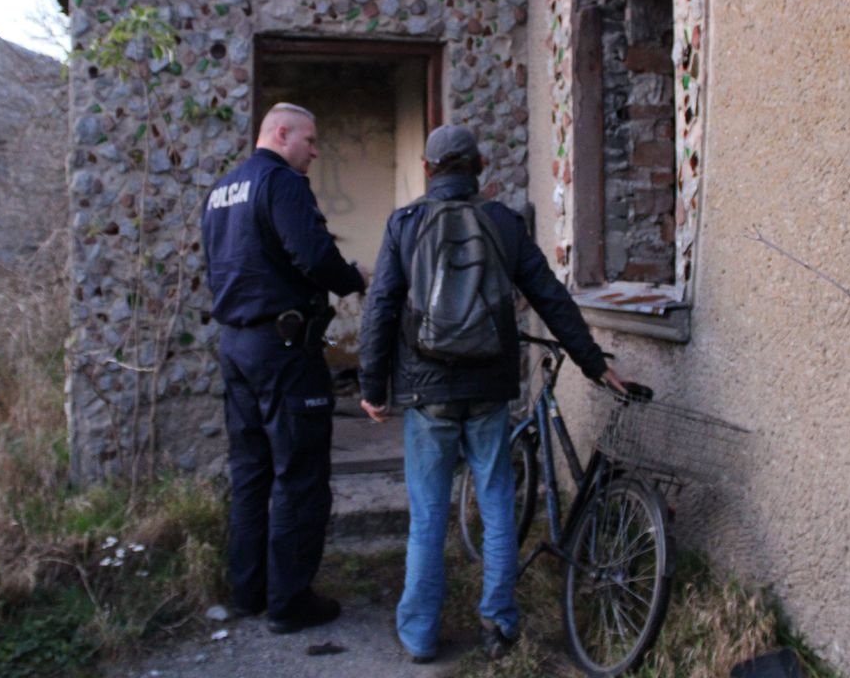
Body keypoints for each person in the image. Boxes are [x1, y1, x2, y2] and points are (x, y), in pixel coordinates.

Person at [357, 124, 630, 663]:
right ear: (479, 164)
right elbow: (550, 297)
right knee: (499, 504)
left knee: (428, 514)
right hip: (488, 387)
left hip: (426, 391)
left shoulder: (405, 223)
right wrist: (594, 364)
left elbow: (381, 308)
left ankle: (418, 636)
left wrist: (372, 386)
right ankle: (500, 624)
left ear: (428, 167)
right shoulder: (503, 222)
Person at [201, 102, 368, 634]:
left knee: (250, 472)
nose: (315, 153)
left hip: (236, 346)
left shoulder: (221, 191)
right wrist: (352, 278)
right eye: (311, 141)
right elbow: (313, 256)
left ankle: (248, 591)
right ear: (280, 134)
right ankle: (290, 602)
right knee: (298, 475)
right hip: (284, 349)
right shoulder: (282, 183)